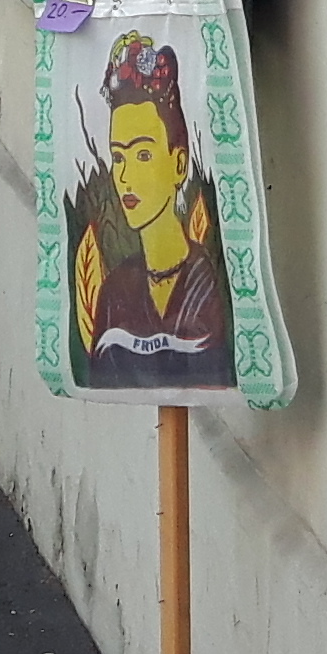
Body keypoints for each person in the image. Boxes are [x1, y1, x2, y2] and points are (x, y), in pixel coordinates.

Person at [68, 31, 232, 392]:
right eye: (118, 157)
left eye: (143, 155)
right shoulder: (115, 290)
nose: (125, 176)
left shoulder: (207, 284)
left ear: (179, 164)